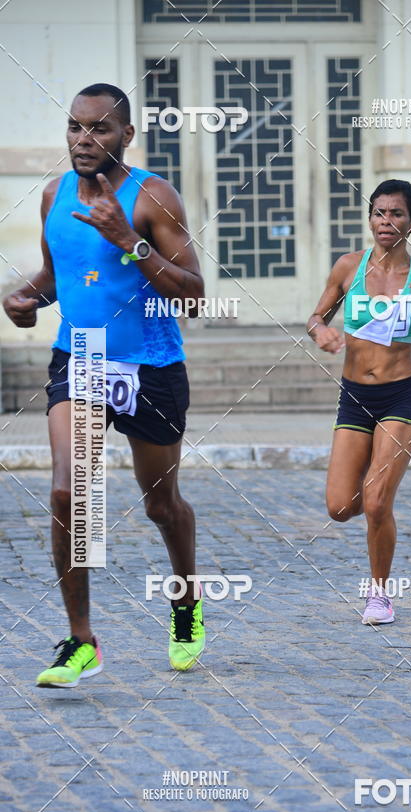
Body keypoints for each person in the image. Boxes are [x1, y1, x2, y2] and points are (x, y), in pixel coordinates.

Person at [2, 83, 205, 685]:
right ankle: (80, 639)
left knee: (161, 505)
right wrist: (28, 298)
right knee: (70, 494)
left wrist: (130, 241)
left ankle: (186, 602)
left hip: (150, 364)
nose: (84, 139)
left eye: (99, 129)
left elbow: (194, 293)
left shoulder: (152, 197)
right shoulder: (53, 196)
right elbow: (56, 273)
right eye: (75, 127)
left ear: (126, 136)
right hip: (80, 357)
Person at [307, 179, 411, 625]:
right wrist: (321, 331)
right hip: (355, 396)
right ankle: (370, 489)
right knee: (342, 507)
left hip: (402, 394)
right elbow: (317, 316)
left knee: (378, 503)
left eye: (396, 214)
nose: (386, 221)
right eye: (379, 213)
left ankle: (379, 594)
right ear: (370, 219)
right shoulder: (348, 267)